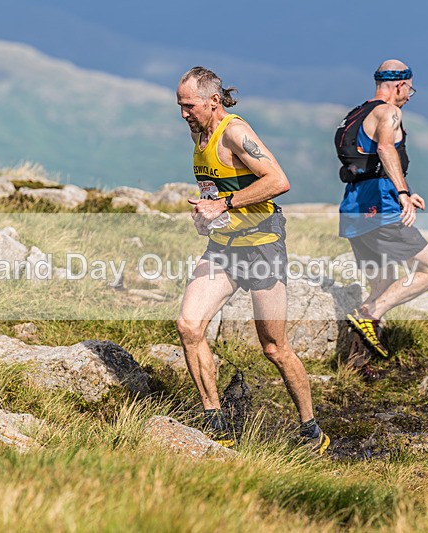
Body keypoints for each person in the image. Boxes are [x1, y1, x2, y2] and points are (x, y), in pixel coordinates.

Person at [176, 66, 329, 451]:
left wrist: (223, 203)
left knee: (274, 347)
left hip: (262, 247)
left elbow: (278, 181)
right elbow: (217, 187)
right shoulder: (199, 131)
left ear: (213, 101)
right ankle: (216, 421)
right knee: (189, 326)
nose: (183, 114)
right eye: (179, 106)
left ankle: (311, 430)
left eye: (189, 105)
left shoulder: (235, 131)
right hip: (223, 248)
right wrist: (207, 214)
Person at [335, 59, 428, 360]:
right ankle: (371, 313)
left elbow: (366, 164)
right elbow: (385, 149)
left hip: (354, 209)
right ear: (400, 85)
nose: (409, 96)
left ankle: (357, 363)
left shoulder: (356, 114)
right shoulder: (389, 112)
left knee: (382, 283)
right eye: (410, 89)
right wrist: (403, 193)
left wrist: (402, 191)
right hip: (378, 208)